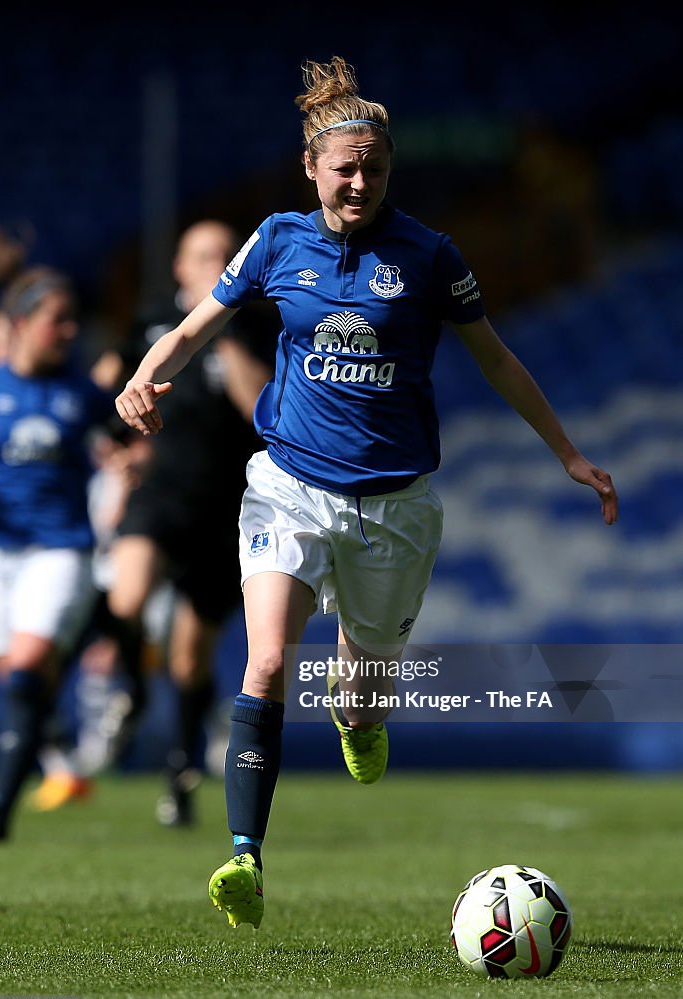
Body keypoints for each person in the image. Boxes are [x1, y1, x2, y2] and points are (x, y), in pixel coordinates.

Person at [115, 57, 618, 928]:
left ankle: (359, 720)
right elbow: (199, 322)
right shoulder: (276, 240)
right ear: (312, 167)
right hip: (289, 487)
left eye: (375, 169)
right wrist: (146, 377)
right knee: (267, 661)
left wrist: (567, 452)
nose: (359, 182)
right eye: (345, 167)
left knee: (358, 692)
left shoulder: (428, 255)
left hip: (395, 506)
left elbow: (493, 355)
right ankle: (245, 860)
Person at [105, 219, 274, 826]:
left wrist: (221, 328)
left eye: (226, 256)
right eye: (204, 255)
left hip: (226, 507)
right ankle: (131, 689)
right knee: (125, 602)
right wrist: (117, 447)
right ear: (179, 266)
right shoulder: (150, 322)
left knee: (189, 659)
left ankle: (179, 773)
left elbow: (261, 409)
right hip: (161, 494)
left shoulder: (256, 323)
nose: (215, 263)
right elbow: (114, 391)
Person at [0, 267, 116, 839]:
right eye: (56, 320)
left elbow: (126, 433)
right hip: (3, 556)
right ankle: (58, 760)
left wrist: (133, 455)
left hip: (60, 552)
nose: (69, 330)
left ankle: (0, 815)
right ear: (21, 324)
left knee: (24, 674)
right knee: (21, 683)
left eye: (72, 320)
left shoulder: (80, 394)